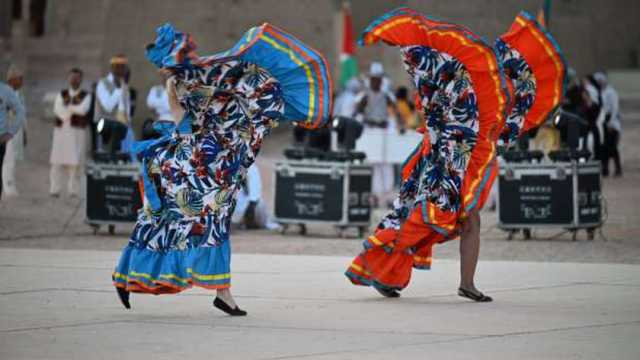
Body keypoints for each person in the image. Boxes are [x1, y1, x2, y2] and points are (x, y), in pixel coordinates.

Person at [112, 23, 332, 315]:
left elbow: (228, 98)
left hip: (217, 168)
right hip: (194, 165)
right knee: (166, 221)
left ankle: (222, 293)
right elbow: (183, 119)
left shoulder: (215, 77)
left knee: (212, 225)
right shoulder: (189, 83)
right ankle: (127, 277)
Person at [345, 8, 564, 302]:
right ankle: (396, 271)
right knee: (440, 215)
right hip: (449, 158)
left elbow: (498, 113)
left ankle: (456, 282)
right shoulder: (448, 78)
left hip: (457, 155)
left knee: (458, 218)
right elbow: (456, 108)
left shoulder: (464, 82)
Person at [355, 62, 399, 206]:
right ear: (370, 79)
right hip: (370, 132)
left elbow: (395, 113)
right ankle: (374, 195)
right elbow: (358, 112)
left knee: (386, 164)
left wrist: (395, 125)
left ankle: (387, 197)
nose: (376, 81)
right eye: (373, 78)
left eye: (378, 78)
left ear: (381, 80)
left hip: (384, 132)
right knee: (372, 163)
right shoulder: (364, 95)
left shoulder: (387, 96)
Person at [49, 68, 92, 197]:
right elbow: (57, 109)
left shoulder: (86, 95)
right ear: (68, 78)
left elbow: (83, 110)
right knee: (56, 161)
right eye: (72, 77)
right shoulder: (61, 94)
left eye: (77, 77)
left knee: (76, 162)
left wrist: (68, 107)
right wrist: (71, 111)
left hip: (77, 133)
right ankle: (54, 189)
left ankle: (73, 190)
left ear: (81, 79)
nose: (74, 79)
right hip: (61, 132)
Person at [93, 54, 131, 154]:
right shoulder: (103, 83)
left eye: (124, 67)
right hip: (106, 129)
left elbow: (126, 110)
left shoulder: (125, 85)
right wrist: (118, 89)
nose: (122, 70)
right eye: (119, 67)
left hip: (123, 128)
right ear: (113, 68)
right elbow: (108, 107)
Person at [0, 72, 26, 201]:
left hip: (8, 135)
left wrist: (14, 132)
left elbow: (21, 114)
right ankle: (8, 186)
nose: (22, 81)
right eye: (19, 79)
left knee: (10, 160)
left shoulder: (12, 93)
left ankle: (9, 185)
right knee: (7, 161)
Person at [594, 72, 622, 176]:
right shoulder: (600, 92)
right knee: (604, 147)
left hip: (612, 122)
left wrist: (611, 123)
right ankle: (605, 169)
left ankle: (618, 168)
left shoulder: (611, 92)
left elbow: (615, 108)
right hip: (603, 121)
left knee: (612, 147)